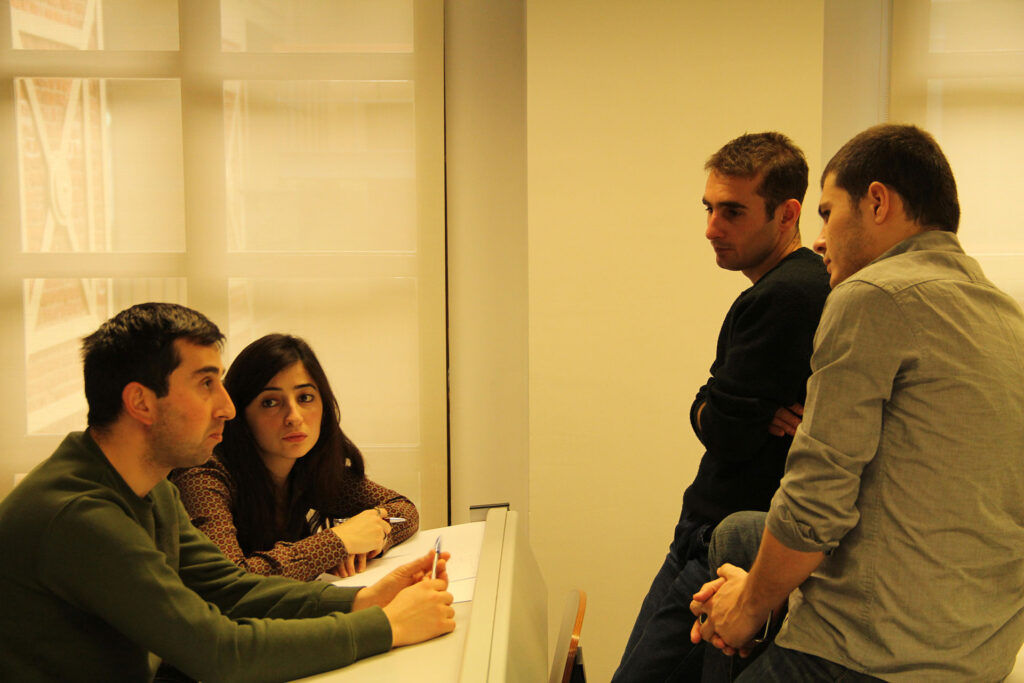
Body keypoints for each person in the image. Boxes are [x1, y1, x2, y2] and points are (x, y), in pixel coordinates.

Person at [691, 124, 1024, 682]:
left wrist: (749, 608)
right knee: (738, 534)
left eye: (827, 214)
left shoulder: (870, 296)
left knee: (725, 585)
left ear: (877, 202)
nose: (820, 240)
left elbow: (815, 501)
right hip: (979, 648)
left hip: (873, 655)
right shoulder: (1006, 316)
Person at [0, 303, 455, 683]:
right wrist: (386, 626)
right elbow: (219, 652)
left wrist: (361, 600)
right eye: (206, 384)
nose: (228, 407)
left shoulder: (151, 487)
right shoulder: (79, 516)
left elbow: (228, 589)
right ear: (141, 403)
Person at [613, 132, 830, 682]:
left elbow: (724, 432)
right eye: (709, 208)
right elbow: (712, 408)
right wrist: (719, 406)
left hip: (722, 548)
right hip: (720, 537)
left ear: (787, 214)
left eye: (732, 211)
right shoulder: (794, 286)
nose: (712, 227)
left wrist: (720, 409)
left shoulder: (784, 296)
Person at [172, 333, 418, 581]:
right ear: (239, 413)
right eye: (270, 402)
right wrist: (337, 543)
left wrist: (374, 537)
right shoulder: (203, 474)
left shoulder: (308, 467)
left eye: (305, 398)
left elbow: (403, 510)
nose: (294, 417)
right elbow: (229, 581)